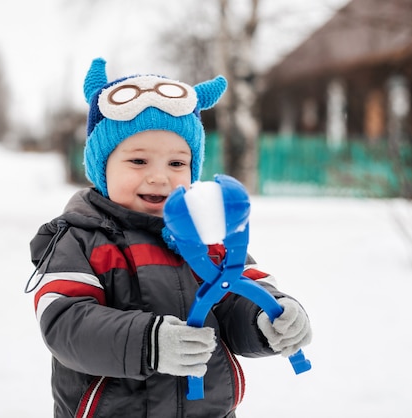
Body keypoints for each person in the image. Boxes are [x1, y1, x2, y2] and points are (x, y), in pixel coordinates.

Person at [26, 57, 312, 418]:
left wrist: (267, 319)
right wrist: (149, 342)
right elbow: (66, 323)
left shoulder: (209, 235)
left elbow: (234, 293)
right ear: (102, 168)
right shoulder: (81, 239)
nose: (159, 177)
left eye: (176, 164)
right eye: (138, 162)